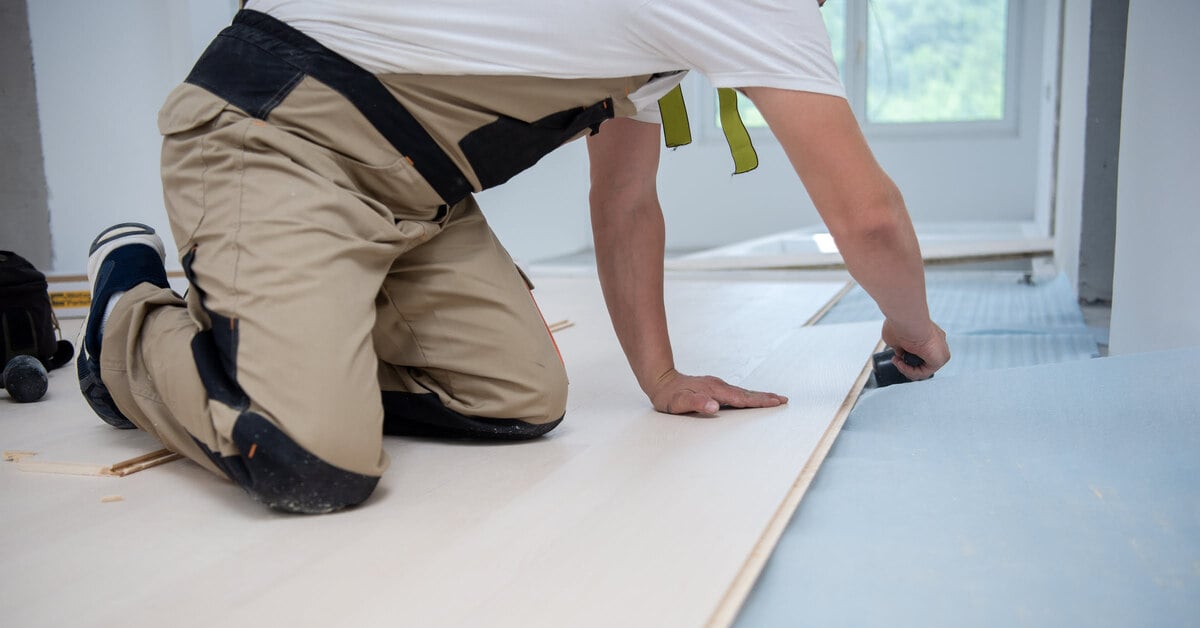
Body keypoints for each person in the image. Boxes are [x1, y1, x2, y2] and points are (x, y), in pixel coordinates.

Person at [77, 0, 950, 514]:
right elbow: (868, 217)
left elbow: (624, 200)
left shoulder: (669, 32)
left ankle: (278, 330)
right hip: (273, 136)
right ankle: (128, 309)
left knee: (519, 400)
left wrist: (661, 376)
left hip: (409, 196)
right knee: (315, 462)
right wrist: (915, 332)